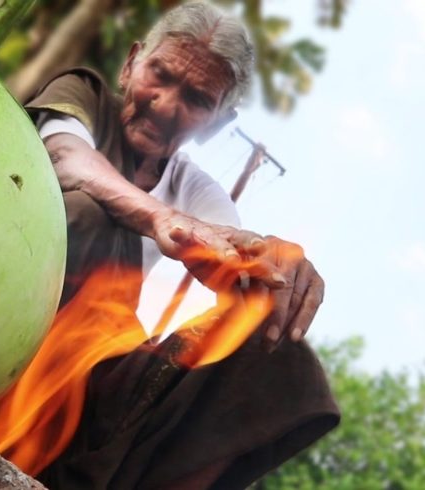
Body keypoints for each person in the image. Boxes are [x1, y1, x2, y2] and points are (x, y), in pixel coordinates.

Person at [24, 2, 340, 488]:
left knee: (273, 347)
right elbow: (67, 157)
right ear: (131, 64)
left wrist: (272, 264)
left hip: (94, 386)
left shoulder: (197, 190)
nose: (167, 106)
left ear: (216, 121)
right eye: (161, 75)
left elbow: (236, 258)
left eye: (196, 99)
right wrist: (159, 217)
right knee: (89, 216)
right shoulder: (83, 94)